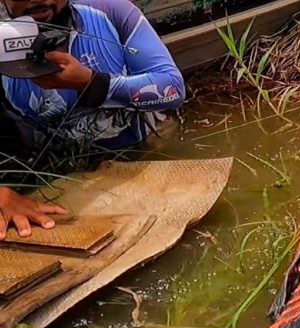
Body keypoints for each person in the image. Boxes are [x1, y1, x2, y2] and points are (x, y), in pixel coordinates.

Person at [0, 0, 185, 239]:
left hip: (144, 150)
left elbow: (172, 89)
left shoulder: (110, 12)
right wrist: (3, 194)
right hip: (54, 176)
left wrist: (91, 83)